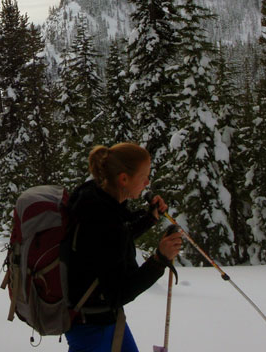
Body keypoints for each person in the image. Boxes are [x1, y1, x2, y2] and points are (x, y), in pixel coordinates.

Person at [61, 142, 182, 352]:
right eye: (144, 176)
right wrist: (160, 259)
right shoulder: (101, 217)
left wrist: (149, 218)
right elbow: (119, 292)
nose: (147, 182)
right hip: (90, 326)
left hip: (103, 318)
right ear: (123, 179)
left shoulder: (97, 199)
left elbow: (113, 242)